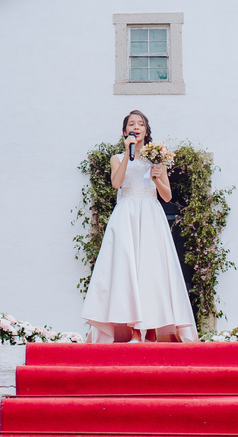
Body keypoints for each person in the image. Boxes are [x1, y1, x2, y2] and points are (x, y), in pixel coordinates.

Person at [80, 111, 197, 343]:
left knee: (151, 270)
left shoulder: (157, 158)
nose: (136, 127)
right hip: (127, 215)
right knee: (128, 270)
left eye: (140, 124)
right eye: (131, 124)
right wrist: (127, 152)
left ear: (146, 130)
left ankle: (151, 329)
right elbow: (116, 183)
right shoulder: (117, 157)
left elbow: (166, 196)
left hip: (150, 214)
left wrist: (156, 177)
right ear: (125, 132)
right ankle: (133, 330)